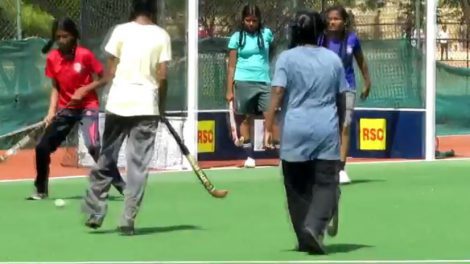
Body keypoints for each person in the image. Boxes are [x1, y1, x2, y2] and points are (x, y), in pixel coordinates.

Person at [82, 0, 171, 235]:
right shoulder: (162, 35)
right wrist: (160, 106)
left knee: (106, 157)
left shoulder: (120, 31)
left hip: (118, 102)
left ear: (133, 9)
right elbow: (162, 76)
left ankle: (95, 211)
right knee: (137, 166)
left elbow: (111, 69)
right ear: (154, 11)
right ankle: (127, 220)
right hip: (145, 106)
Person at [264, 10, 349, 255]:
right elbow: (341, 98)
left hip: (295, 129)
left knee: (296, 186)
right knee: (327, 184)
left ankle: (305, 236)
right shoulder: (333, 59)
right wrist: (339, 124)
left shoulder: (286, 59)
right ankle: (314, 227)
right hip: (325, 128)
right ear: (320, 31)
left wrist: (269, 125)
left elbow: (278, 92)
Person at [27, 18, 125, 200]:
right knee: (42, 147)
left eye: (65, 36)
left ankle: (121, 185)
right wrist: (51, 111)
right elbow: (55, 87)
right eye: (58, 37)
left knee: (94, 146)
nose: (62, 40)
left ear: (73, 36)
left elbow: (104, 78)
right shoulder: (53, 58)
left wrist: (84, 89)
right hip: (66, 110)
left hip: (88, 107)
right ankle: (41, 189)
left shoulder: (85, 55)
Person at [319, 5, 371, 184]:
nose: (332, 22)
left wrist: (367, 82)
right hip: (324, 88)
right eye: (330, 18)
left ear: (344, 21)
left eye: (336, 18)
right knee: (325, 127)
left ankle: (341, 168)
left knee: (345, 126)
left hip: (347, 87)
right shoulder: (321, 38)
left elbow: (361, 61)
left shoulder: (352, 39)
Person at [226, 4, 276, 168]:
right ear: (243, 20)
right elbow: (232, 66)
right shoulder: (237, 37)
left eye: (254, 20)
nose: (251, 24)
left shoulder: (267, 34)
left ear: (259, 20)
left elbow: (272, 52)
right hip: (243, 80)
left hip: (264, 80)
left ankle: (276, 151)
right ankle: (249, 157)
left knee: (269, 113)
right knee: (246, 117)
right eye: (248, 20)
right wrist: (229, 90)